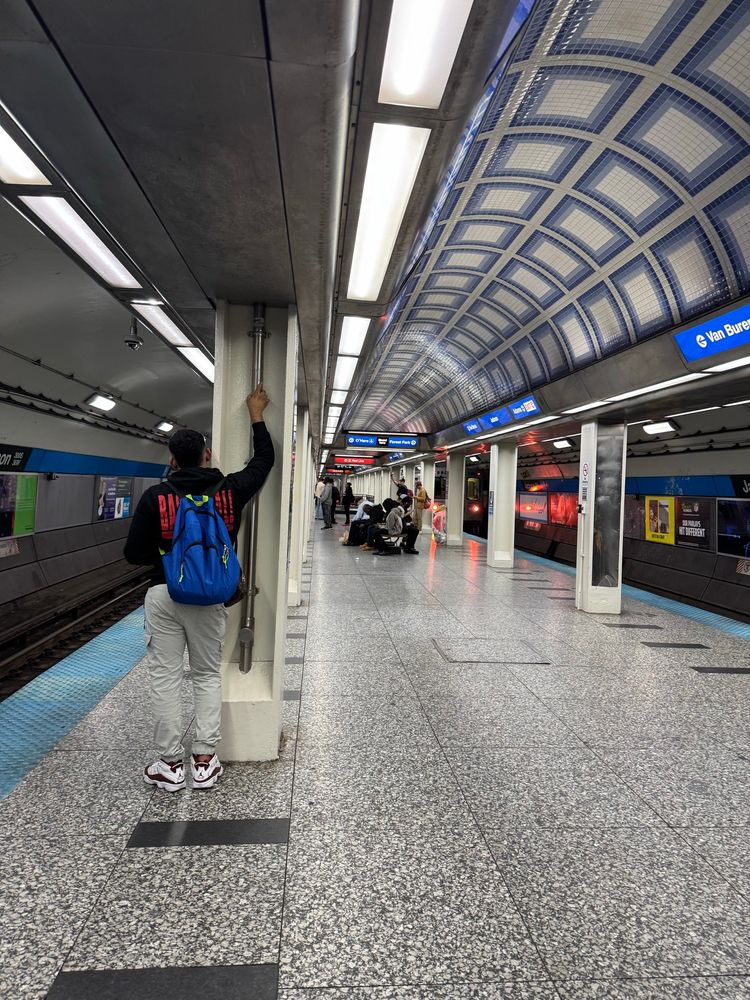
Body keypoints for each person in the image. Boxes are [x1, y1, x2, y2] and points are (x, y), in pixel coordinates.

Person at [124, 384, 274, 792]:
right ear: (207, 454)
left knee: (166, 678)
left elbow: (133, 554)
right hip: (211, 597)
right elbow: (265, 461)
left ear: (172, 461)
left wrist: (168, 555)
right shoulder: (228, 491)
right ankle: (205, 761)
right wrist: (256, 415)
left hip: (164, 594)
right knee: (207, 674)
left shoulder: (157, 497)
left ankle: (170, 765)